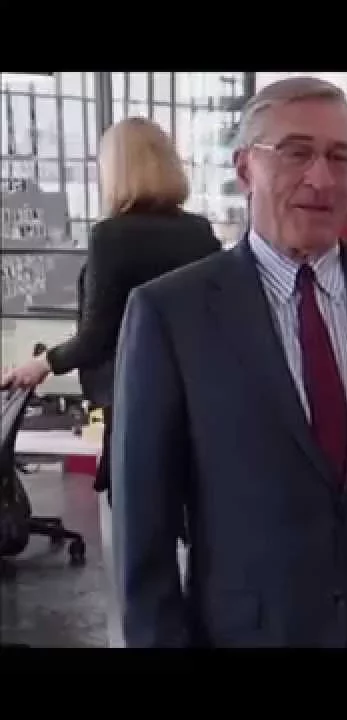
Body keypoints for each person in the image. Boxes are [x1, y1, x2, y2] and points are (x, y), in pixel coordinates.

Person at [111, 77, 347, 647]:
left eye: (341, 157)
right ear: (244, 169)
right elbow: (145, 533)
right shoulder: (170, 314)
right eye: (296, 153)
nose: (322, 179)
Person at [0, 117, 222, 503]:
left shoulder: (111, 236)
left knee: (135, 516)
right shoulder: (199, 233)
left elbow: (95, 337)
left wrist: (41, 364)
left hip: (136, 402)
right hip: (196, 402)